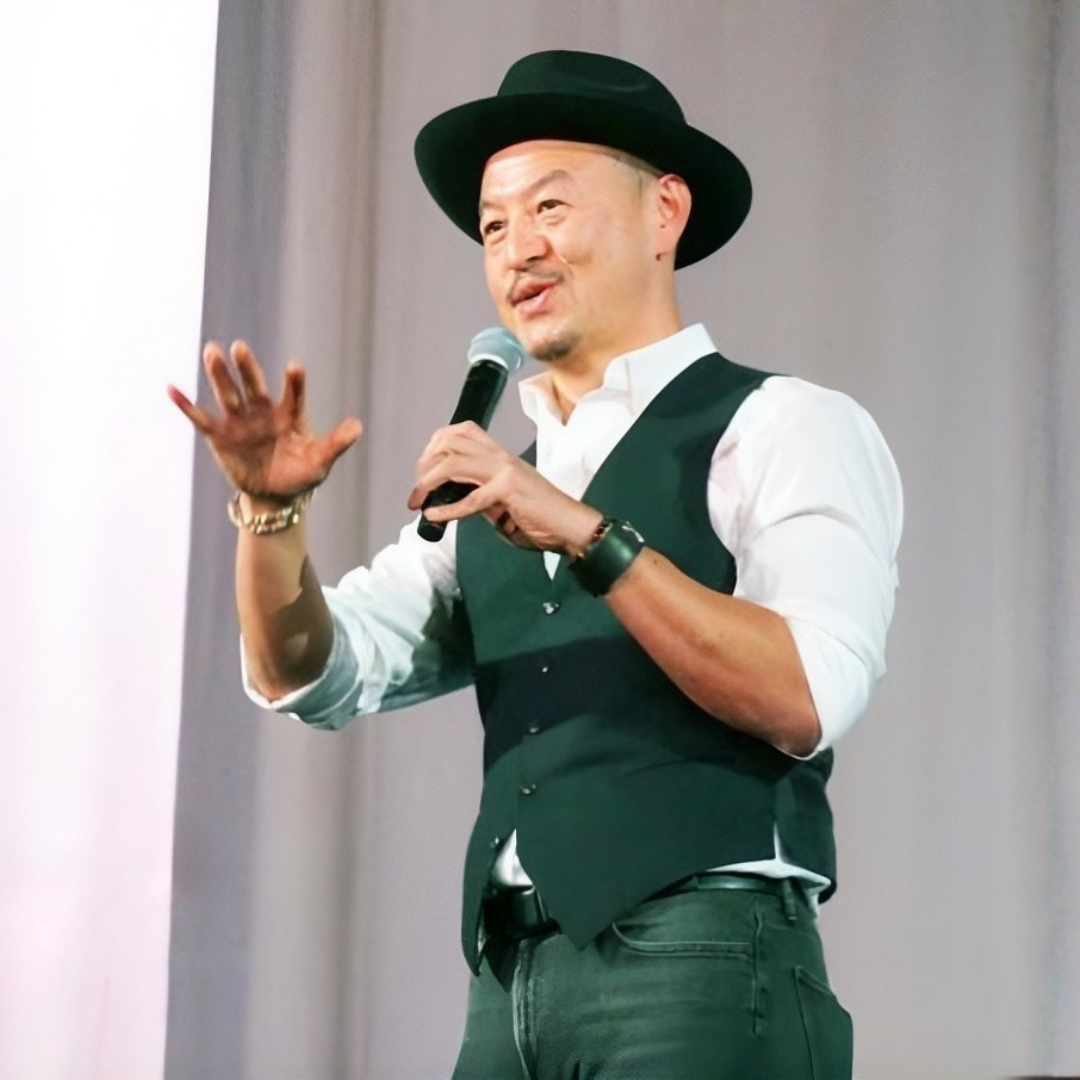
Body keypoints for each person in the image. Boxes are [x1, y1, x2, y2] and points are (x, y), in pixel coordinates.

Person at [170, 49, 902, 1079]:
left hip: (696, 963)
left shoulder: (782, 426)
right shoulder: (492, 489)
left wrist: (588, 534)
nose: (518, 250)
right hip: (510, 981)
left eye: (549, 208)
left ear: (664, 214)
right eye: (495, 226)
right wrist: (271, 515)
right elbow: (308, 672)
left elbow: (805, 694)